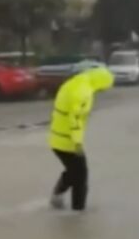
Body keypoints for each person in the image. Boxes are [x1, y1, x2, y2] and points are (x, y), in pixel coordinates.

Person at [48, 67, 115, 211]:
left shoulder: (75, 82)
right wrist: (77, 142)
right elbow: (76, 118)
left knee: (73, 170)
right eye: (103, 88)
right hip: (68, 140)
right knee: (81, 175)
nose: (101, 91)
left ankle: (57, 196)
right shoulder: (83, 92)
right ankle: (78, 211)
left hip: (57, 138)